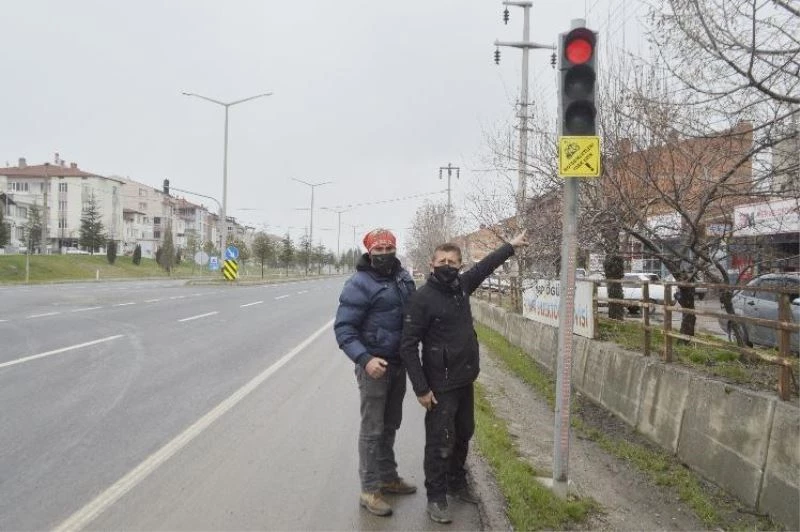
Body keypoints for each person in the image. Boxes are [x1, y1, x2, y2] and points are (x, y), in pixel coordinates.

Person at [399, 231, 529, 524]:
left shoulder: (461, 286)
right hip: (439, 385)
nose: (448, 265)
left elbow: (484, 267)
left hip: (464, 379)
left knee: (464, 433)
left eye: (453, 261)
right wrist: (421, 389)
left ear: (459, 265)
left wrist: (510, 247)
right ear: (432, 264)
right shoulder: (422, 299)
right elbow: (407, 346)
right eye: (442, 260)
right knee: (439, 441)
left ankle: (456, 482)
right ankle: (436, 496)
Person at [334, 228, 418, 517]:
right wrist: (366, 359)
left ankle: (388, 476)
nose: (383, 254)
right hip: (374, 368)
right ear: (369, 252)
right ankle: (369, 490)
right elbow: (344, 329)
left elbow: (414, 316)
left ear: (395, 249)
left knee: (391, 423)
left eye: (388, 248)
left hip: (399, 364)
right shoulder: (358, 283)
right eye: (378, 249)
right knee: (372, 429)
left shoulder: (404, 278)